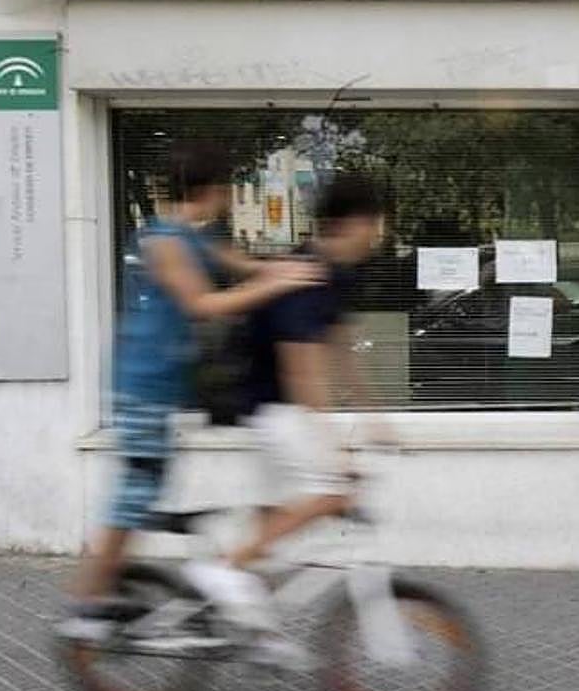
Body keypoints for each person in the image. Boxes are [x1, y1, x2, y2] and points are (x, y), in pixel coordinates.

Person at [66, 142, 321, 612]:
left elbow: (243, 265)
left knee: (145, 491)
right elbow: (202, 304)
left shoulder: (194, 236)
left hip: (161, 388)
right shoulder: (164, 242)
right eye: (225, 189)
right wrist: (275, 286)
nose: (227, 197)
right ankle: (88, 603)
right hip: (142, 386)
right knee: (133, 496)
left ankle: (109, 589)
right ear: (211, 190)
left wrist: (288, 268)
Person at [182, 172, 391, 631]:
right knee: (330, 493)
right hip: (274, 410)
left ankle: (249, 619)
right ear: (355, 223)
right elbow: (302, 372)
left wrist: (374, 417)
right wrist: (335, 447)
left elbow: (343, 347)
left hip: (280, 411)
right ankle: (222, 570)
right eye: (377, 223)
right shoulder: (306, 274)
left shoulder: (334, 274)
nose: (380, 234)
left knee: (273, 518)